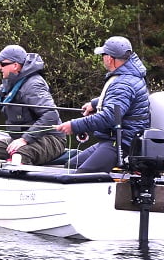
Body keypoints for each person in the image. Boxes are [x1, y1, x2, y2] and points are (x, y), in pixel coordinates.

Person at [56, 35, 151, 172]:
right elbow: (119, 101)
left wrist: (74, 125)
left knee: (82, 175)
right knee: (71, 165)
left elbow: (109, 117)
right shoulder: (129, 75)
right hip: (115, 138)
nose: (102, 58)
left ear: (109, 58)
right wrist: (95, 104)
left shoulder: (123, 83)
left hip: (122, 143)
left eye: (103, 55)